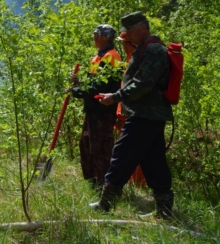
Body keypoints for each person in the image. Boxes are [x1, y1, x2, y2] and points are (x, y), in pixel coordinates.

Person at [95, 12, 174, 218]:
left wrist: (115, 97)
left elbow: (143, 84)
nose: (127, 36)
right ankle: (163, 211)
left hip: (145, 114)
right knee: (153, 160)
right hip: (147, 114)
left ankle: (105, 205)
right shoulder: (145, 49)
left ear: (142, 27)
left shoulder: (154, 50)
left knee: (121, 154)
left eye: (129, 31)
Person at [67, 24, 122, 189]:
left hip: (103, 112)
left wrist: (76, 91)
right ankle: (92, 183)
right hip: (92, 110)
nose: (94, 37)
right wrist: (78, 84)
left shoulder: (111, 57)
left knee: (100, 148)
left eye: (96, 35)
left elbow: (99, 87)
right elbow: (92, 84)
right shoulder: (97, 57)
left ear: (103, 37)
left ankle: (105, 186)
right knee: (86, 144)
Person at [114, 30, 146, 187]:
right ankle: (131, 181)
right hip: (124, 113)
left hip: (131, 115)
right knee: (126, 150)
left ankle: (138, 182)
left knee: (132, 150)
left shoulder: (137, 62)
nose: (122, 46)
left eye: (123, 43)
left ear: (129, 44)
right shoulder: (130, 60)